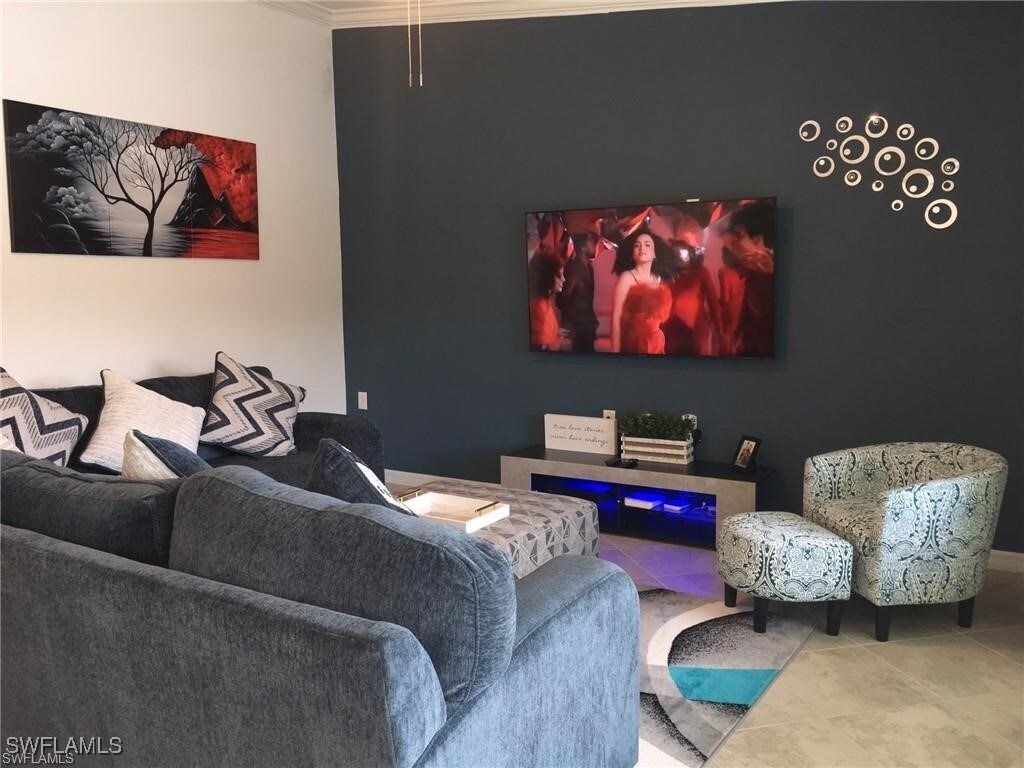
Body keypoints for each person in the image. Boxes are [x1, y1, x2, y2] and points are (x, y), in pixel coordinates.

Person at [719, 201, 775, 357]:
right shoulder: (754, 273)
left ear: (758, 240)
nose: (732, 243)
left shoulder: (771, 282)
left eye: (738, 236)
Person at [610, 229, 679, 354]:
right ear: (632, 253)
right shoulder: (626, 278)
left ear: (655, 253)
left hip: (656, 341)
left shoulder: (657, 278)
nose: (642, 248)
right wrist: (615, 352)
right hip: (634, 342)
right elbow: (616, 317)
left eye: (647, 245)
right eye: (637, 245)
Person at [556, 232, 599, 352]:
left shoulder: (589, 268)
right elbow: (561, 300)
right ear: (583, 248)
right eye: (591, 243)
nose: (595, 246)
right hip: (577, 327)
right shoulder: (573, 269)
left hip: (587, 325)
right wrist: (570, 324)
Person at [528, 247, 566, 351]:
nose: (564, 279)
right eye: (560, 275)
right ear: (548, 277)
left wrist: (557, 333)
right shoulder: (537, 307)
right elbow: (541, 347)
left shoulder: (546, 302)